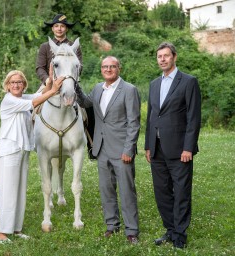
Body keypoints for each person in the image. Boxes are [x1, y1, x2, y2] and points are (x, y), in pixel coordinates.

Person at [75, 56, 141, 244]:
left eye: (112, 66)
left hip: (122, 150)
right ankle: (112, 225)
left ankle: (132, 230)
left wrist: (129, 150)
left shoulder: (129, 90)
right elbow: (86, 103)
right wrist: (74, 85)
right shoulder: (98, 88)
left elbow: (134, 123)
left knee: (127, 191)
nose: (108, 69)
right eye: (105, 66)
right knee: (106, 190)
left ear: (119, 68)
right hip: (101, 149)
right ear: (101, 69)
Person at [0, 69, 64, 244]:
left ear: (23, 84)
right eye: (12, 82)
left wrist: (49, 81)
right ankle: (1, 233)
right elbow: (36, 101)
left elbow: (38, 94)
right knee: (8, 192)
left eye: (19, 82)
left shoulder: (21, 98)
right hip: (9, 150)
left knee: (19, 191)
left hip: (22, 150)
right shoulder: (9, 100)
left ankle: (16, 229)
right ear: (7, 86)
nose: (16, 85)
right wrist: (53, 90)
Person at [144, 42, 201, 249]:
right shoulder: (153, 84)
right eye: (159, 56)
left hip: (179, 150)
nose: (162, 59)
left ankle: (180, 235)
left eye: (166, 56)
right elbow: (151, 117)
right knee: (162, 193)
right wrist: (148, 146)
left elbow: (193, 118)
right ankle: (169, 229)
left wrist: (188, 147)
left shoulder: (188, 82)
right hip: (157, 149)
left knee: (182, 192)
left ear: (174, 57)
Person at [36, 13, 97, 160]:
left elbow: (79, 66)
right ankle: (34, 141)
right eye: (56, 26)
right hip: (49, 84)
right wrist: (47, 81)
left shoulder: (74, 46)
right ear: (52, 29)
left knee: (88, 106)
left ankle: (91, 145)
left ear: (66, 29)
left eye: (62, 26)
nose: (59, 28)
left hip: (71, 83)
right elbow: (39, 68)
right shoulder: (45, 47)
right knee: (32, 109)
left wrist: (71, 77)